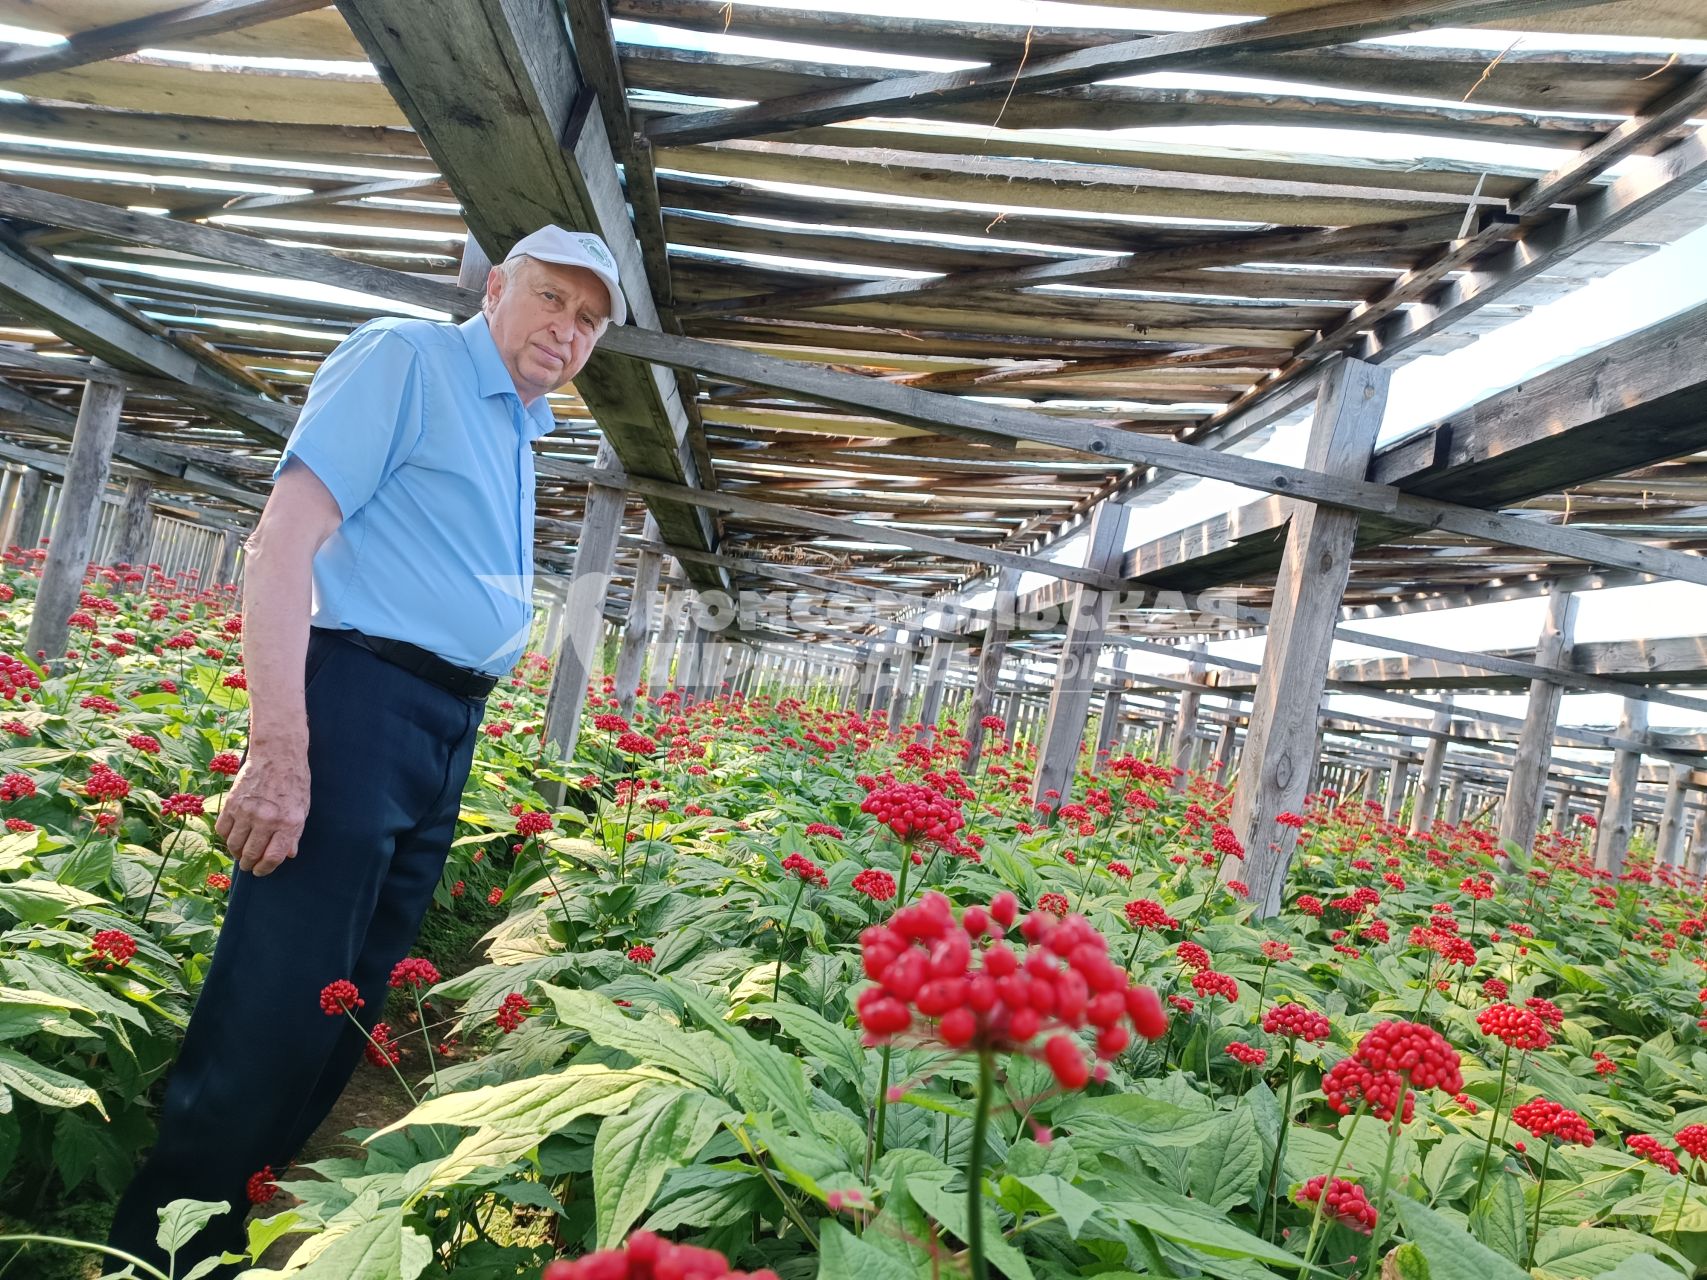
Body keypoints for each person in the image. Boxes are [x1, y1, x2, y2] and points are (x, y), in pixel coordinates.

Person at [107, 226, 626, 1276]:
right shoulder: (408, 359)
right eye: (552, 301)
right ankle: (150, 1254)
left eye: (588, 320)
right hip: (353, 703)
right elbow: (283, 539)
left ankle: (233, 1234)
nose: (565, 331)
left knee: (346, 1000)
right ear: (496, 290)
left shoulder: (525, 426)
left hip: (439, 725)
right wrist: (280, 744)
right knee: (276, 994)